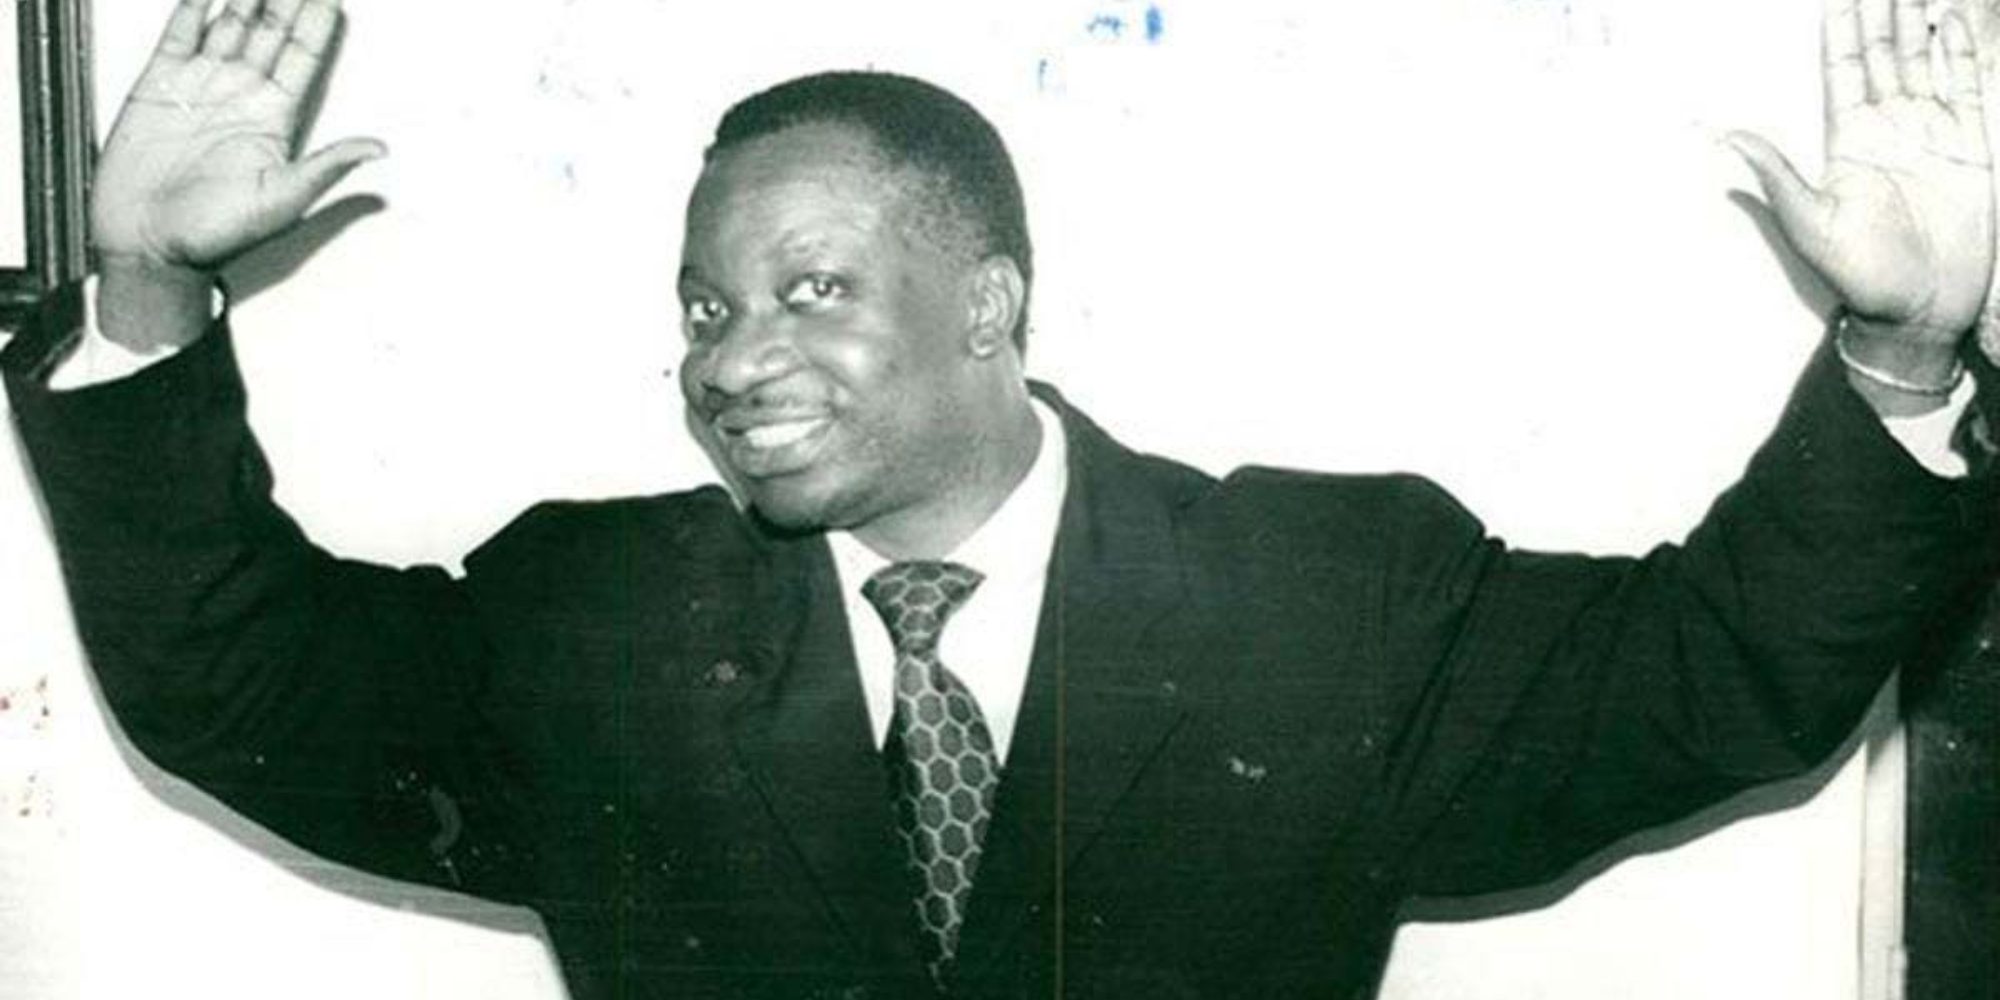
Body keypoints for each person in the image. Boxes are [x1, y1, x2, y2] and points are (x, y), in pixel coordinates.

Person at [5, 0, 1998, 997]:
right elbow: (238, 683)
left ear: (989, 303)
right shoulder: (595, 619)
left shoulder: (1324, 597)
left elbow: (1709, 673)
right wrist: (150, 289)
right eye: (703, 305)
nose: (731, 357)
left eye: (809, 289)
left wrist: (1896, 355)